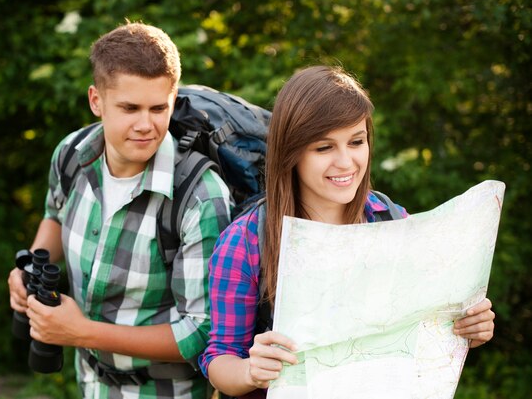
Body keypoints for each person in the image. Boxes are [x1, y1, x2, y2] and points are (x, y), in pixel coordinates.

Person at [198, 65, 496, 397]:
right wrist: (250, 371)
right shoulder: (247, 240)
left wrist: (468, 327)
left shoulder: (391, 219)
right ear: (291, 153)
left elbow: (426, 331)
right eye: (324, 148)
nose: (346, 161)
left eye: (356, 142)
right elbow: (218, 360)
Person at [8, 22, 232, 399]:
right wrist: (28, 267)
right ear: (96, 101)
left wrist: (80, 333)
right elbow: (54, 211)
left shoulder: (200, 197)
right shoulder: (72, 154)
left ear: (173, 99)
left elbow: (201, 333)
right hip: (90, 383)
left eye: (158, 107)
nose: (146, 125)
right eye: (129, 108)